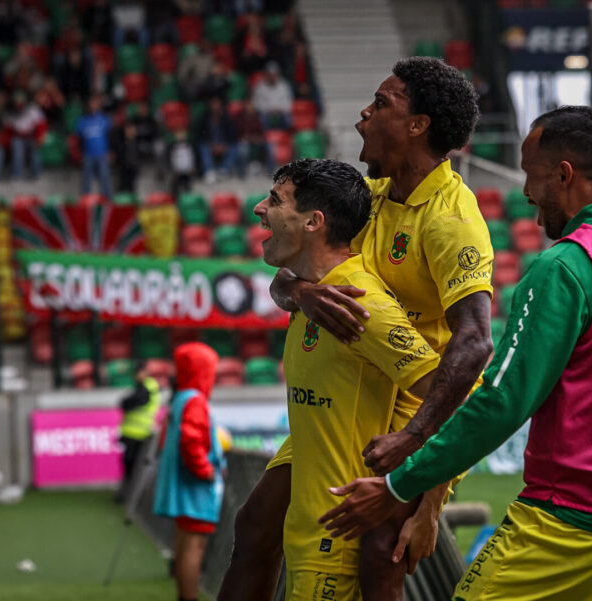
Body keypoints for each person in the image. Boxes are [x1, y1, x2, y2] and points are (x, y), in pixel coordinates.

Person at [320, 106, 592, 601]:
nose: (525, 193)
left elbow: (503, 401)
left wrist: (400, 485)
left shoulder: (564, 266)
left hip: (570, 519)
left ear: (563, 175)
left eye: (531, 174)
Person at [219, 57, 493, 601]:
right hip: (355, 394)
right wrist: (300, 294)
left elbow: (476, 344)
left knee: (379, 546)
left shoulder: (450, 219)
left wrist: (427, 483)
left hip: (424, 405)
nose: (363, 113)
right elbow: (286, 277)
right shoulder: (370, 198)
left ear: (417, 125)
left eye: (382, 103)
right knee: (255, 524)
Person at [254, 158, 446, 601]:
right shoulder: (314, 294)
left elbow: (453, 400)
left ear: (313, 222)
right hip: (307, 538)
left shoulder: (362, 305)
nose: (258, 208)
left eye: (275, 200)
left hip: (333, 547)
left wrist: (418, 496)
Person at [154, 342, 226, 601]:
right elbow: (191, 440)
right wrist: (206, 470)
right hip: (195, 489)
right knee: (195, 547)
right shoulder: (195, 401)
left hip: (183, 488)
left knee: (185, 544)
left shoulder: (180, 398)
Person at [117, 363, 161, 502]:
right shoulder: (143, 386)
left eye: (139, 372)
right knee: (130, 464)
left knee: (134, 464)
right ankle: (130, 493)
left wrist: (126, 402)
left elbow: (133, 401)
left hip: (140, 433)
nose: (137, 375)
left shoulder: (148, 386)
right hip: (133, 432)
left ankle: (134, 495)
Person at [76, 94, 113, 198]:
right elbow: (79, 139)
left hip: (102, 154)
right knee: (86, 180)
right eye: (91, 103)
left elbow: (111, 136)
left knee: (105, 178)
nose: (93, 105)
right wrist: (81, 154)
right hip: (88, 155)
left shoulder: (104, 119)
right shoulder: (83, 121)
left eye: (96, 103)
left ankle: (108, 202)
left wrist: (110, 151)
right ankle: (85, 202)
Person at [251, 62, 293, 130]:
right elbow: (257, 104)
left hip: (281, 113)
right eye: (270, 74)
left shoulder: (285, 85)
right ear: (266, 75)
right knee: (261, 120)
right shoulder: (259, 87)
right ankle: (266, 138)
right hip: (266, 114)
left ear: (278, 74)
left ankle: (287, 137)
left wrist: (278, 110)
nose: (272, 77)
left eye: (274, 74)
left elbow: (288, 104)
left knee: (288, 120)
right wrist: (271, 111)